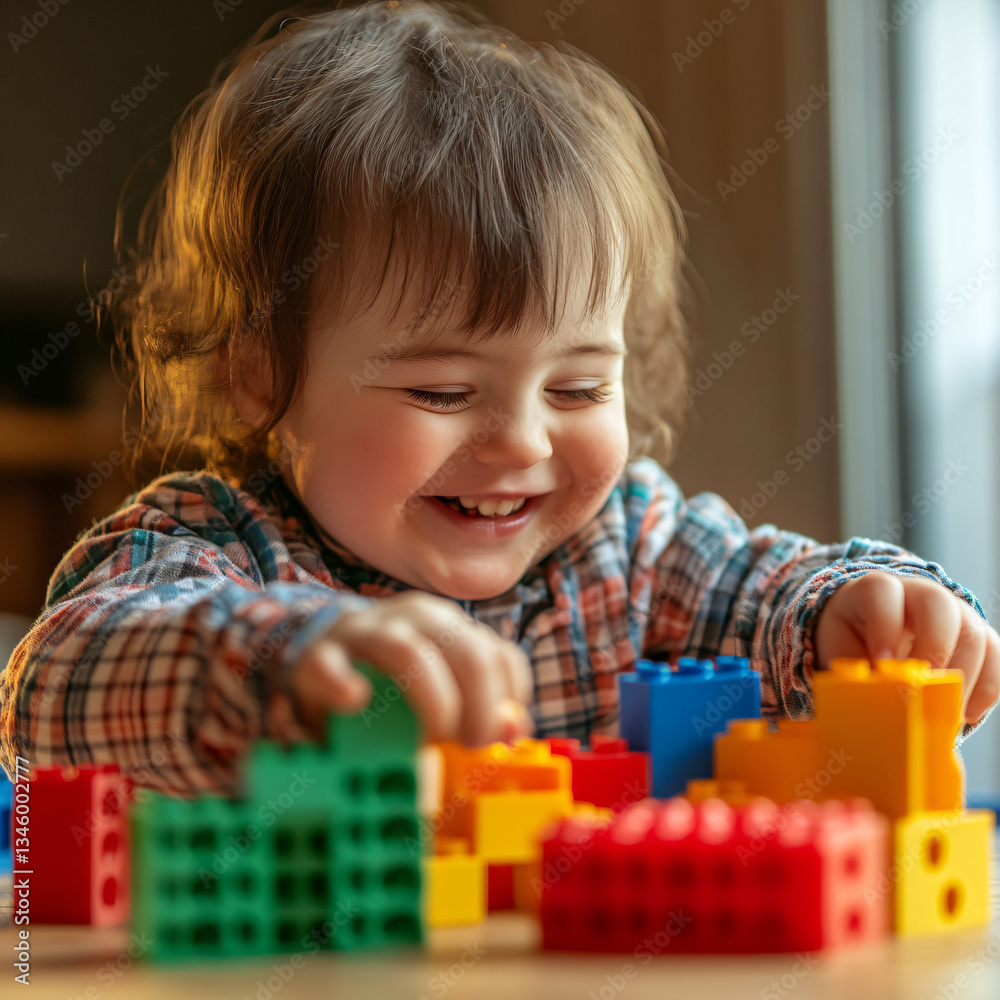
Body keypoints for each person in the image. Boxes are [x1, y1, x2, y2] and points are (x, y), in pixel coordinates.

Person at [1, 0, 996, 796]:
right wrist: (290, 665)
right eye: (441, 389)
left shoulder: (627, 549)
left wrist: (863, 612)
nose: (520, 440)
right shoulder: (216, 549)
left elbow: (766, 590)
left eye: (577, 385)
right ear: (261, 373)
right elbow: (46, 697)